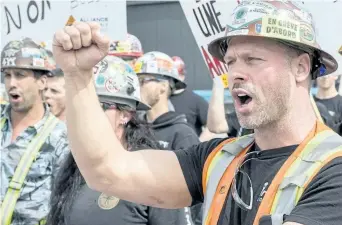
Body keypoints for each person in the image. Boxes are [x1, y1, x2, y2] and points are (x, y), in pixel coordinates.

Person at [53, 1, 342, 225]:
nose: (236, 74)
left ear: (301, 67)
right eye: (230, 62)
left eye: (253, 59)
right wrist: (78, 75)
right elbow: (106, 171)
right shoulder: (220, 159)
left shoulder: (334, 170)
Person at [47, 55, 188, 225]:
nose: (85, 116)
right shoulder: (71, 169)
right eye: (80, 107)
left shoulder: (154, 174)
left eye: (99, 106)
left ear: (125, 114)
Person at [1, 38, 69, 225]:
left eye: (20, 75)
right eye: (7, 75)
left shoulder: (61, 138)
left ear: (42, 82)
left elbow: (65, 208)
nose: (11, 83)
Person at [134, 51, 200, 150]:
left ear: (163, 86)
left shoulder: (183, 135)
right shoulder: (134, 130)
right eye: (136, 81)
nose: (137, 87)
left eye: (143, 80)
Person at [169, 56, 215, 142]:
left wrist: (196, 145)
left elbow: (212, 127)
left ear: (183, 76)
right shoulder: (161, 99)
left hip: (187, 151)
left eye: (176, 76)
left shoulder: (196, 100)